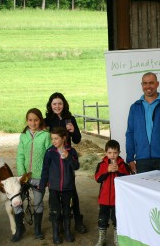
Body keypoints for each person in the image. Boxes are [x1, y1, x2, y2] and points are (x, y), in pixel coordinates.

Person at [45, 92, 87, 233]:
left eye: (60, 103)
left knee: (72, 192)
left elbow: (77, 140)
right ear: (51, 106)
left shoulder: (70, 119)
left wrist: (73, 130)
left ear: (64, 104)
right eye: (54, 104)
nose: (57, 106)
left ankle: (78, 221)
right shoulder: (47, 121)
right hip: (54, 159)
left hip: (67, 157)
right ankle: (59, 222)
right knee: (55, 193)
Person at [126, 72, 160, 174]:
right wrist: (130, 158)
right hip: (142, 160)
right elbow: (130, 133)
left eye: (151, 83)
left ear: (157, 84)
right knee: (143, 190)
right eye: (145, 83)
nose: (148, 86)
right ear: (142, 85)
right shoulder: (134, 108)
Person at [15, 108, 51, 241]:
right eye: (30, 120)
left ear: (40, 120)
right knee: (17, 202)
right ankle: (19, 229)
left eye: (36, 120)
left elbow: (49, 156)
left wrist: (46, 177)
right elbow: (20, 155)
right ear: (27, 121)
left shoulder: (46, 135)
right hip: (24, 177)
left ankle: (37, 229)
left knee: (38, 203)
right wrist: (21, 174)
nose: (33, 123)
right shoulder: (23, 136)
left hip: (39, 177)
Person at [39, 127, 79, 244]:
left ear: (64, 138)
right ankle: (55, 233)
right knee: (55, 211)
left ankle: (67, 232)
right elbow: (45, 170)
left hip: (68, 188)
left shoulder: (71, 152)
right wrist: (42, 185)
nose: (54, 141)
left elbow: (76, 166)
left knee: (67, 211)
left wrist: (68, 158)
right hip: (54, 188)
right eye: (52, 139)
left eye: (56, 138)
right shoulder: (50, 152)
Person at [94, 140, 130, 246]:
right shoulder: (101, 165)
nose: (112, 155)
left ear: (119, 152)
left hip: (118, 199)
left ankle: (117, 239)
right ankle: (102, 239)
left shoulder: (123, 165)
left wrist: (119, 170)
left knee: (117, 219)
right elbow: (98, 178)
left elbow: (128, 179)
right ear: (106, 153)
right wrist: (107, 171)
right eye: (109, 153)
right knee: (102, 219)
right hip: (104, 199)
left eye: (115, 153)